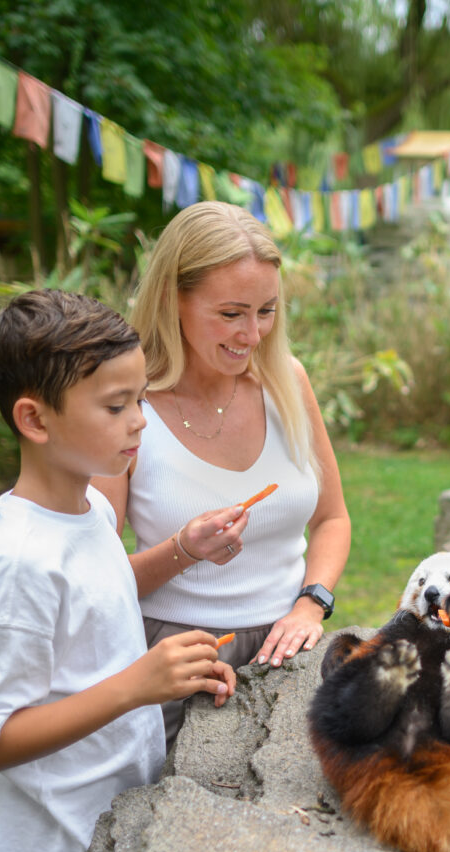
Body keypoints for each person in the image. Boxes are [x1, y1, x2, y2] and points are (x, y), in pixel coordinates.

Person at [0, 289, 235, 852]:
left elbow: (102, 592)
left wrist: (183, 550)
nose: (140, 420)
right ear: (34, 419)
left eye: (139, 399)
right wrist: (136, 687)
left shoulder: (86, 510)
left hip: (91, 830)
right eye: (115, 406)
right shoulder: (17, 561)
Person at [92, 202, 351, 747]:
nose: (253, 334)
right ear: (173, 299)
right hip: (171, 659)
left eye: (267, 311)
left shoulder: (287, 382)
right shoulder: (129, 406)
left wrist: (311, 604)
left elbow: (332, 518)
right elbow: (95, 581)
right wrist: (183, 550)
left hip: (288, 650)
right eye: (231, 313)